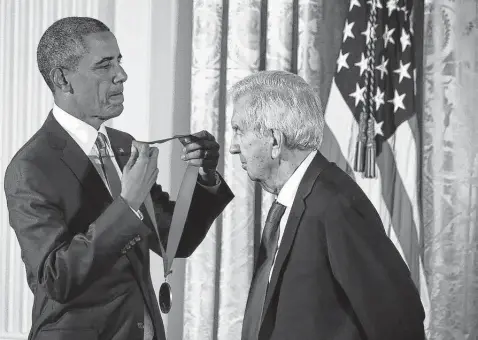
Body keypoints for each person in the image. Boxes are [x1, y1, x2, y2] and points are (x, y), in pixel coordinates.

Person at [4, 17, 234, 340]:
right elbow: (56, 279)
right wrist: (127, 204)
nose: (121, 75)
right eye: (104, 65)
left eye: (120, 61)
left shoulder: (123, 146)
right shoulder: (30, 168)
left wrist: (206, 177)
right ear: (63, 80)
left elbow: (174, 240)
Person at [228, 70, 425, 340]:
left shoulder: (335, 204)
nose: (232, 147)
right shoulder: (293, 199)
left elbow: (400, 320)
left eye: (239, 131)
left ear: (274, 140)